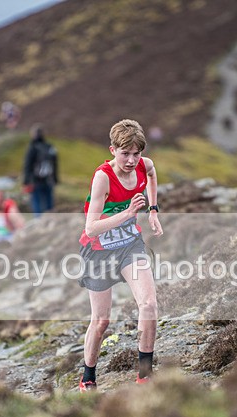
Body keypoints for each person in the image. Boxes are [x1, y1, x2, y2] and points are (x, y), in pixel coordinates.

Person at [77, 119, 163, 391]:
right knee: (102, 321)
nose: (131, 160)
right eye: (125, 153)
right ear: (112, 149)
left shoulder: (143, 165)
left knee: (148, 305)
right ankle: (88, 377)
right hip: (99, 251)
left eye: (136, 153)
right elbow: (91, 228)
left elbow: (151, 172)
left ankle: (145, 375)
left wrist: (152, 209)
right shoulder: (103, 177)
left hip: (129, 246)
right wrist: (127, 213)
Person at [23, 124, 58, 217]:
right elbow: (55, 164)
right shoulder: (49, 147)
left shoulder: (32, 148)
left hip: (35, 181)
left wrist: (26, 181)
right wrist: (55, 178)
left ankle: (38, 222)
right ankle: (51, 220)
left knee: (37, 204)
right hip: (49, 180)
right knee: (49, 203)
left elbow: (27, 165)